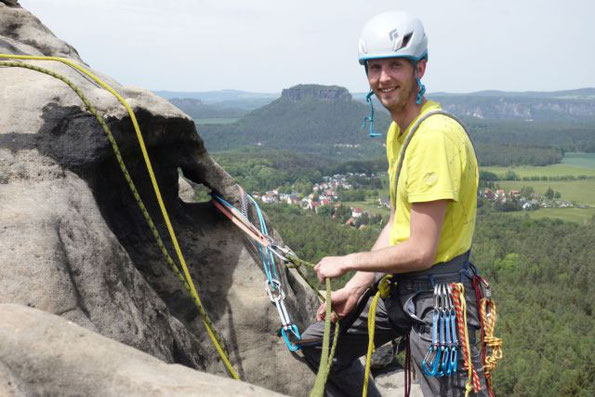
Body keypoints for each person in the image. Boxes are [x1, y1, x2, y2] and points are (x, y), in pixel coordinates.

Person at [301, 11, 489, 397]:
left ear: (419, 68)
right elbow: (397, 221)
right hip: (400, 291)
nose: (383, 77)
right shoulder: (399, 132)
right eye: (374, 67)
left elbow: (421, 250)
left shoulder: (434, 136)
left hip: (439, 300)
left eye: (395, 66)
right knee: (319, 343)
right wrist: (356, 287)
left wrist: (350, 260)